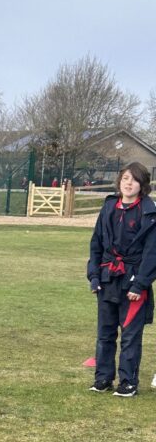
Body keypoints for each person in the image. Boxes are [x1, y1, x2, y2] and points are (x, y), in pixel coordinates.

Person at [87, 162, 156, 397]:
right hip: (107, 279)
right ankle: (103, 378)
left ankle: (128, 383)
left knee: (130, 336)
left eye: (134, 179)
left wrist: (140, 284)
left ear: (142, 185)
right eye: (125, 178)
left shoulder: (149, 213)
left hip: (133, 282)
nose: (129, 183)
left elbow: (152, 253)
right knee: (105, 333)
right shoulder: (109, 207)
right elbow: (96, 243)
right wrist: (94, 275)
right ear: (119, 181)